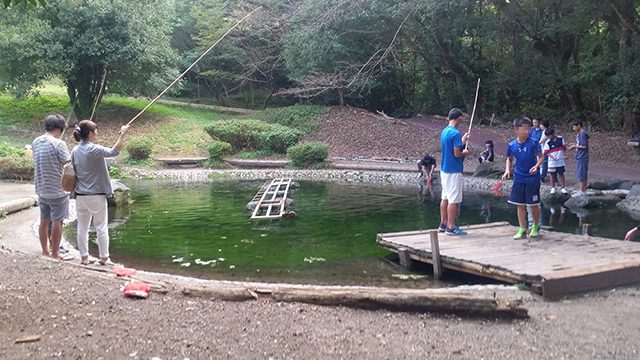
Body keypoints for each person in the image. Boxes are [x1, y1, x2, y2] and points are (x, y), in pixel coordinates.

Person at [72, 120, 130, 265]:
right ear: (90, 134)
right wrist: (122, 134)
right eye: (96, 131)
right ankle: (104, 258)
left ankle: (84, 257)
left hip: (80, 195)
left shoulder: (75, 150)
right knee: (101, 227)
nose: (97, 134)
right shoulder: (94, 149)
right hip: (96, 195)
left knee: (82, 227)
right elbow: (114, 152)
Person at [31, 114, 72, 260]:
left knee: (44, 221)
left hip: (41, 189)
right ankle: (55, 253)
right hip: (57, 190)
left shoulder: (36, 142)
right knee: (57, 221)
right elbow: (67, 164)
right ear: (59, 128)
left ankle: (45, 251)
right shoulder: (59, 144)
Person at [502, 116, 544, 239]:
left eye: (529, 128)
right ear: (517, 129)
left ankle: (535, 226)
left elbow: (541, 157)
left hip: (532, 178)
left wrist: (537, 166)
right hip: (519, 177)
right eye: (524, 128)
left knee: (533, 203)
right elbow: (509, 158)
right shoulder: (512, 145)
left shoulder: (533, 143)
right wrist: (507, 170)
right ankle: (522, 228)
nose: (527, 131)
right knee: (519, 204)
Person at [438, 108, 470, 236]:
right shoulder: (455, 133)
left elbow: (451, 147)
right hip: (454, 170)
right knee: (454, 199)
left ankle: (443, 223)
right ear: (459, 118)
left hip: (444, 169)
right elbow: (457, 153)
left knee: (445, 197)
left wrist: (462, 141)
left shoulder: (445, 131)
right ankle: (451, 227)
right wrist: (465, 152)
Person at [543, 128, 568, 194]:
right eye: (547, 136)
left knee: (561, 173)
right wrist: (553, 157)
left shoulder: (561, 139)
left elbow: (564, 148)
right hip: (552, 161)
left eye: (549, 135)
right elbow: (547, 152)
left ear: (553, 134)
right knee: (552, 174)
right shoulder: (548, 142)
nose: (548, 137)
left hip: (560, 160)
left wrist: (565, 155)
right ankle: (553, 188)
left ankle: (563, 187)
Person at [568, 119, 589, 197]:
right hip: (580, 156)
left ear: (579, 126)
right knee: (581, 173)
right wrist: (575, 144)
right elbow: (581, 144)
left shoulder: (582, 134)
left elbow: (584, 146)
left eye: (574, 126)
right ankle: (583, 190)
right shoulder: (580, 134)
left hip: (582, 156)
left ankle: (582, 191)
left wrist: (574, 146)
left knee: (581, 174)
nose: (573, 128)